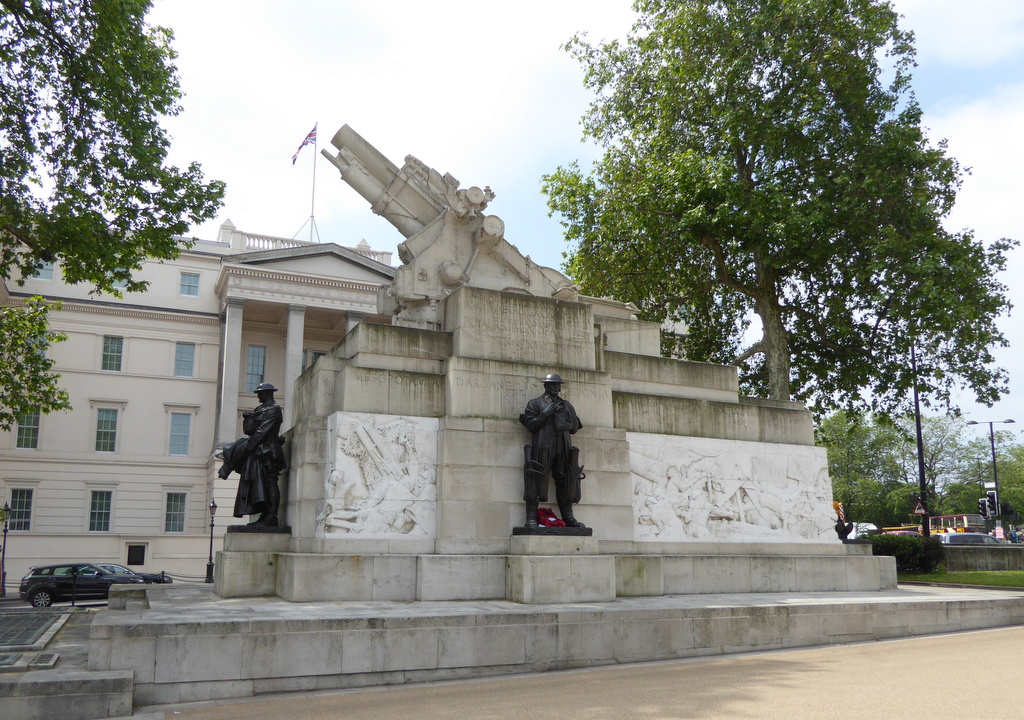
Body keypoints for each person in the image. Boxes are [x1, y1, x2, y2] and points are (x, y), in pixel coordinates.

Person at [519, 373, 585, 529]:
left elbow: (574, 429)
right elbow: (531, 426)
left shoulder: (567, 405)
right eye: (552, 384)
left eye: (558, 385)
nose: (555, 387)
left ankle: (568, 517)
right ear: (545, 386)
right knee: (536, 478)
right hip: (543, 445)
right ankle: (531, 517)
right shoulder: (535, 403)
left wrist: (570, 415)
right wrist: (545, 413)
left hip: (563, 445)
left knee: (566, 480)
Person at [218, 382, 287, 526]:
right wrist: (248, 418)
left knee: (270, 482)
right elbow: (249, 431)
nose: (258, 396)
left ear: (268, 393)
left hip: (268, 451)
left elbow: (261, 432)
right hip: (259, 451)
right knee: (261, 484)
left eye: (260, 393)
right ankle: (265, 515)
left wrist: (247, 449)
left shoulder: (274, 409)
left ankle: (271, 516)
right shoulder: (260, 409)